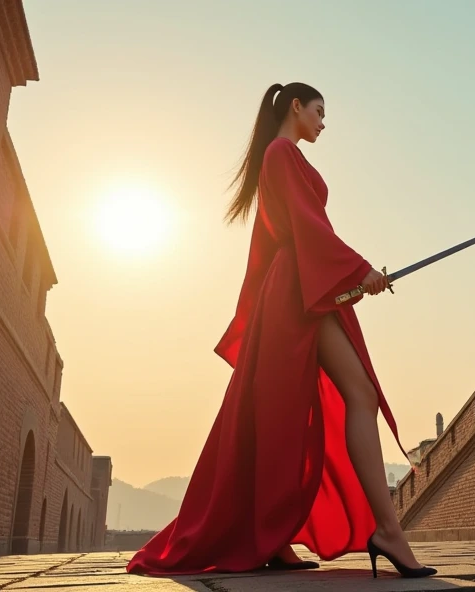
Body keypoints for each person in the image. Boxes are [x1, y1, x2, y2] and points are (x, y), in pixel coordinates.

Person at [125, 82, 436, 580]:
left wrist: (350, 275)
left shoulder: (280, 156)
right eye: (319, 111)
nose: (323, 122)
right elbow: (308, 225)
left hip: (301, 288)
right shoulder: (280, 153)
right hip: (294, 292)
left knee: (295, 412)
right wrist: (359, 272)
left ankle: (277, 536)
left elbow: (303, 230)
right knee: (321, 404)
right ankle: (384, 532)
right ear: (296, 106)